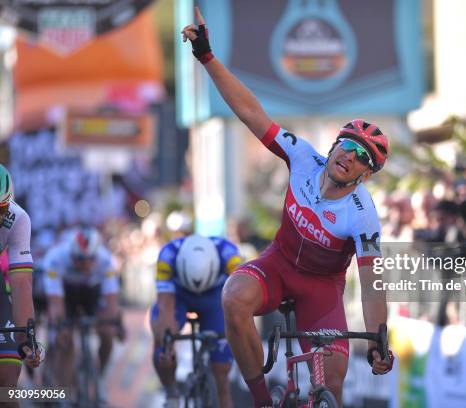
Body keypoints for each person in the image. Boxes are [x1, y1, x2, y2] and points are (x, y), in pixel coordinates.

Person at [181, 8, 394, 407]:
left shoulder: (361, 213)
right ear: (334, 146)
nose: (351, 157)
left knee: (331, 385)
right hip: (277, 265)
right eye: (348, 146)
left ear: (366, 174)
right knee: (233, 298)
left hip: (321, 291)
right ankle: (262, 399)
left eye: (363, 158)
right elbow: (250, 112)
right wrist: (207, 57)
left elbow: (371, 285)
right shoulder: (302, 158)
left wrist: (380, 339)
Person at [151, 234, 241, 408]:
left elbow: (239, 301)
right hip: (178, 296)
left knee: (222, 372)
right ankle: (171, 390)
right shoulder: (167, 256)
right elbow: (165, 306)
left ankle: (224, 395)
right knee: (162, 341)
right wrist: (167, 341)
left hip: (215, 296)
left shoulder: (230, 256)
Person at [43, 227, 123, 387]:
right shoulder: (55, 258)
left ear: (96, 255)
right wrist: (60, 325)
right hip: (66, 293)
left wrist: (113, 322)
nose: (85, 265)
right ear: (72, 254)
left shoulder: (105, 259)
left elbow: (111, 299)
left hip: (91, 292)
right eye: (79, 259)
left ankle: (99, 377)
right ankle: (62, 392)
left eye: (89, 260)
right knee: (65, 340)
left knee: (107, 333)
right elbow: (56, 302)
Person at [0, 164, 41, 395]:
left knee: (5, 388)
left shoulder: (17, 219)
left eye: (1, 208)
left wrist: (28, 340)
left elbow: (21, 284)